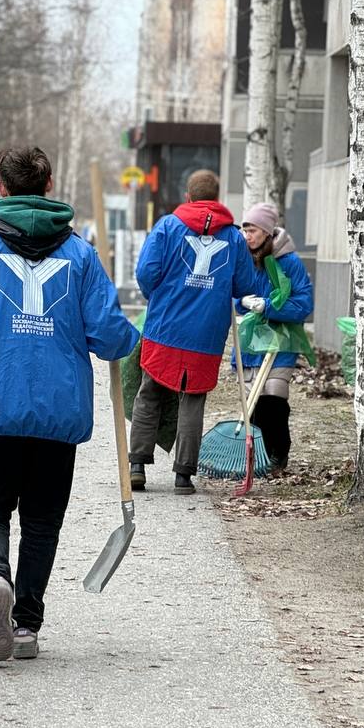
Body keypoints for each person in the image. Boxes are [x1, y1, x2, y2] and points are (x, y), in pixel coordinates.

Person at [0, 147, 139, 663]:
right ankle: (27, 623)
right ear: (50, 184)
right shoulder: (79, 254)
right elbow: (107, 333)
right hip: (57, 414)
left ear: (1, 186)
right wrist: (129, 339)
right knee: (42, 518)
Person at [128, 170, 267, 495]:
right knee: (193, 399)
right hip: (206, 333)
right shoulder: (233, 237)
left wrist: (158, 296)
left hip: (165, 326)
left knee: (150, 392)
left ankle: (137, 464)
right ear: (216, 199)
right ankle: (183, 475)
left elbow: (146, 272)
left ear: (188, 196)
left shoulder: (168, 226)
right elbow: (244, 283)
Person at [234, 202, 313, 471]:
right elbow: (229, 293)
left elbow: (304, 303)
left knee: (273, 397)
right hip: (249, 345)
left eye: (252, 230)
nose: (247, 236)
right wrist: (241, 301)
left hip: (280, 343)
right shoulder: (242, 259)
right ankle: (255, 456)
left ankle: (278, 452)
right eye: (244, 230)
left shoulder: (289, 262)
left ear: (267, 232)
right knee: (252, 403)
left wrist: (268, 306)